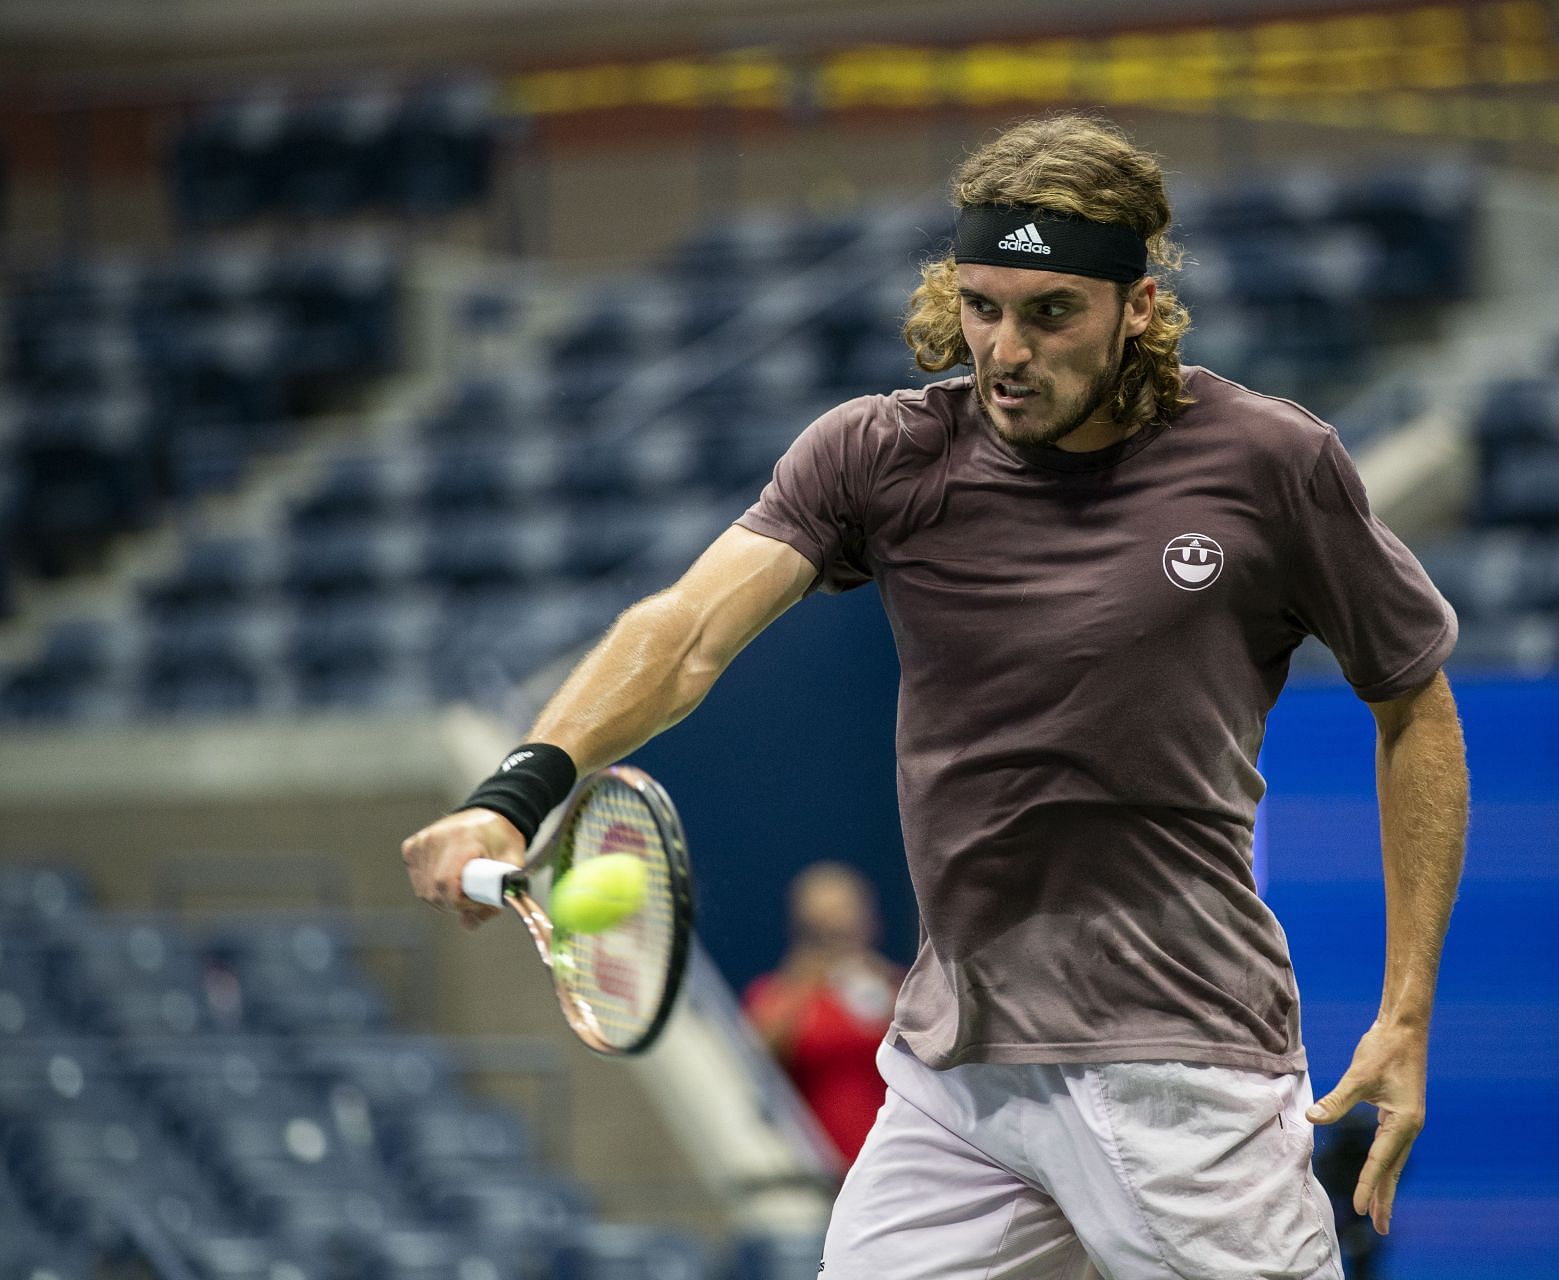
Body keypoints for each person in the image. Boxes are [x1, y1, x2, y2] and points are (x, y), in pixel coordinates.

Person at [401, 112, 1469, 1279]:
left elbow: (1415, 703)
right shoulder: (880, 456)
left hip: (1179, 1059)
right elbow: (686, 629)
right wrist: (515, 793)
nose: (1006, 349)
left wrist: (1405, 1008)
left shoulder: (1272, 463)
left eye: (1052, 311)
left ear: (1139, 308)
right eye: (982, 306)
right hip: (957, 1072)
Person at [744, 861, 902, 1166]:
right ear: (803, 928)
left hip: (893, 1165)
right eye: (826, 922)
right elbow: (753, 1067)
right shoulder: (776, 996)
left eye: (848, 914)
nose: (839, 927)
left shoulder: (904, 992)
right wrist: (801, 985)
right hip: (812, 1171)